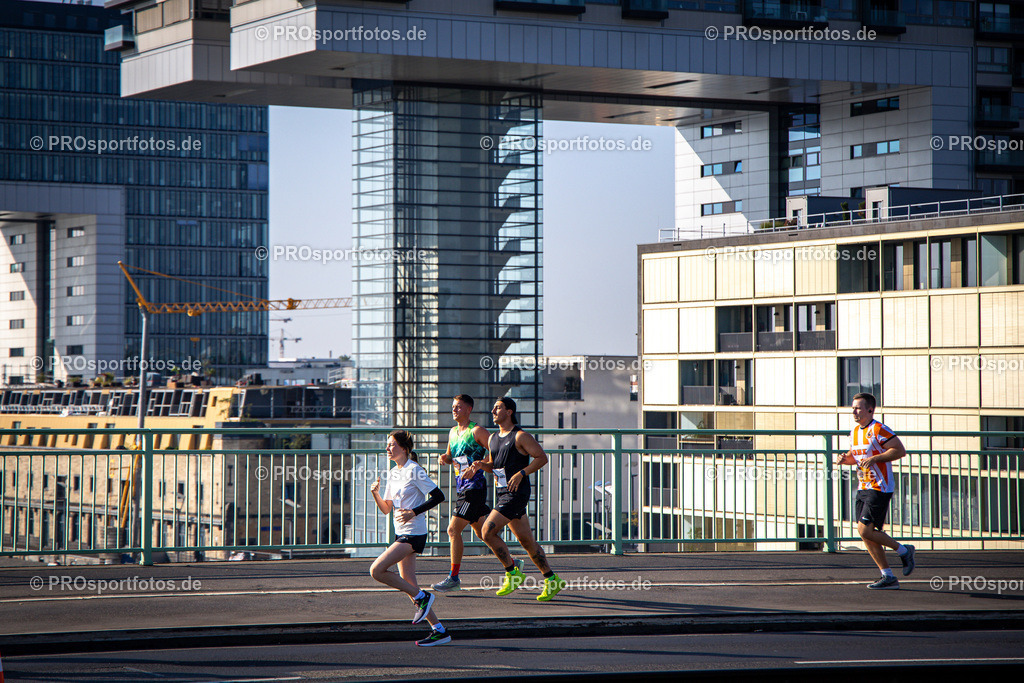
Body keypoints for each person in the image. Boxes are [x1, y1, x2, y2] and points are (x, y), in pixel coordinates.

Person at [468, 397, 564, 602]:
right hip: (502, 492)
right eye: (494, 408)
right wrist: (481, 465)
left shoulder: (520, 436)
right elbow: (493, 464)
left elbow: (541, 457)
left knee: (487, 531)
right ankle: (552, 579)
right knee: (526, 541)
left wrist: (522, 473)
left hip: (516, 494)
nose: (493, 411)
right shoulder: (493, 438)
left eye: (498, 408)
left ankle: (512, 573)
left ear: (509, 411)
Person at [369, 430, 451, 646]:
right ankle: (439, 630)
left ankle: (424, 596)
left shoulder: (415, 470)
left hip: (414, 533)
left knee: (377, 570)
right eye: (387, 444)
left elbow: (439, 496)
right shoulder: (392, 473)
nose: (387, 448)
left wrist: (413, 512)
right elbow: (387, 509)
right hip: (401, 532)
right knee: (409, 586)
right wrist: (375, 494)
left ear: (404, 449)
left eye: (392, 444)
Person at [836, 392, 916, 589]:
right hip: (863, 486)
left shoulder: (879, 429)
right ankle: (888, 576)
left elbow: (899, 450)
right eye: (853, 408)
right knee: (867, 533)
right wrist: (844, 459)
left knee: (865, 529)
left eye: (858, 408)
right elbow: (856, 456)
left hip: (880, 486)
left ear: (870, 410)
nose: (854, 411)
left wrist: (875, 459)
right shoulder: (854, 432)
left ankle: (904, 551)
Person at [432, 395, 492, 592]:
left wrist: (479, 464)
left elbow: (497, 451)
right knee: (483, 533)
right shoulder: (453, 432)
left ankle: (454, 578)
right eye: (453, 407)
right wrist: (445, 458)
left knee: (453, 530)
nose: (454, 410)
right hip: (462, 487)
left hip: (474, 488)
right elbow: (451, 457)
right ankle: (512, 563)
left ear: (468, 409)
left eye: (458, 407)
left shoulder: (477, 431)